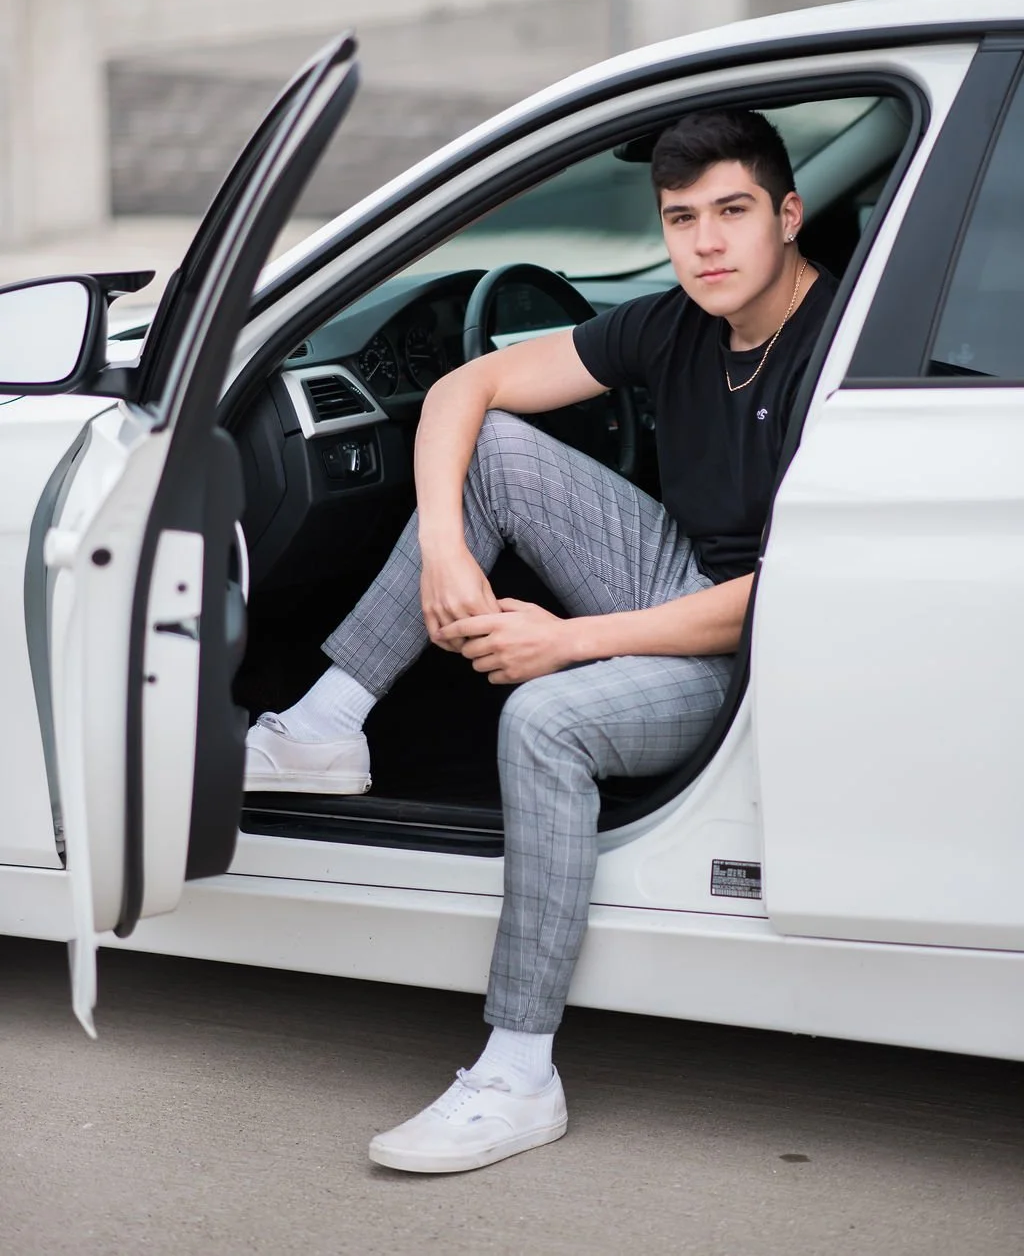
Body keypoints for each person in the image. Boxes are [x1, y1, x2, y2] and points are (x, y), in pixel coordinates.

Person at [243, 108, 836, 1174]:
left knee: (542, 717)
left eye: (733, 213)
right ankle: (327, 723)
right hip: (679, 581)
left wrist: (570, 642)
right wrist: (442, 554)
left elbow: (779, 596)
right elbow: (469, 388)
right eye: (681, 218)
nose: (705, 243)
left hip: (753, 653)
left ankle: (518, 1070)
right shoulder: (677, 324)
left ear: (787, 216)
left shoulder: (833, 353)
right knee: (494, 452)